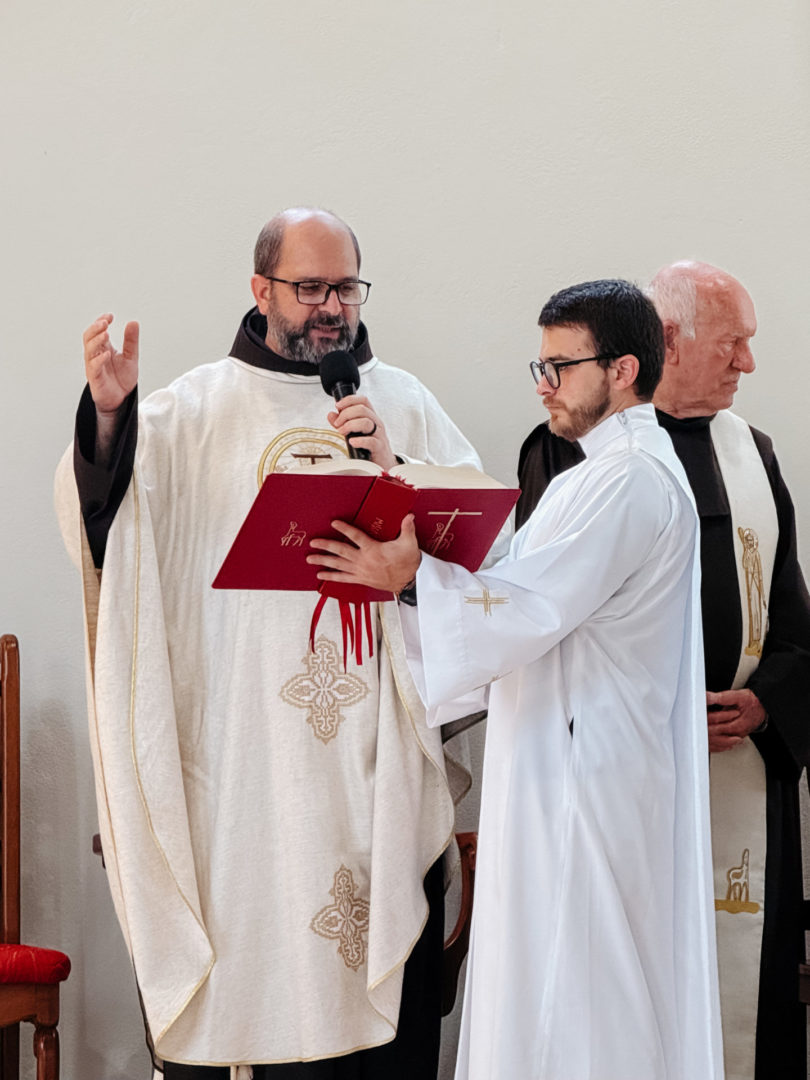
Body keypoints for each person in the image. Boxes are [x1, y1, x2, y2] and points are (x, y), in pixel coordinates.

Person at [55, 207, 497, 1080]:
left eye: (347, 288)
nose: (332, 307)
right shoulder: (187, 415)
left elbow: (479, 567)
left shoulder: (404, 405)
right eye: (310, 288)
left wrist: (393, 474)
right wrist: (108, 421)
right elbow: (110, 534)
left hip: (373, 770)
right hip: (240, 777)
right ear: (261, 290)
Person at [308, 279, 724, 1079]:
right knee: (558, 988)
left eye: (560, 367)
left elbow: (529, 606)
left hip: (583, 781)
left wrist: (408, 580)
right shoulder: (596, 476)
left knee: (579, 995)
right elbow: (518, 580)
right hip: (564, 764)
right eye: (540, 366)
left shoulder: (629, 478)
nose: (544, 385)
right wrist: (395, 479)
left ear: (624, 370)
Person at [516, 261, 810, 1080]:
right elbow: (536, 614)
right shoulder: (569, 450)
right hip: (620, 771)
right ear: (668, 342)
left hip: (739, 761)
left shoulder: (753, 453)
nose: (747, 362)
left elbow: (793, 620)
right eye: (732, 343)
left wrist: (765, 703)